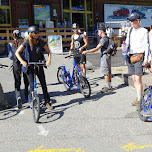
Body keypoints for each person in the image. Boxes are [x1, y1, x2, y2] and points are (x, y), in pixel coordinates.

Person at [15, 26, 53, 110]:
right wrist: (22, 61)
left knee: (43, 84)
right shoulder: (26, 42)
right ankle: (32, 100)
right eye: (35, 32)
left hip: (39, 65)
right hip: (30, 66)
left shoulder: (41, 42)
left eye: (38, 32)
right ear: (30, 34)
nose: (37, 34)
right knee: (31, 85)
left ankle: (47, 101)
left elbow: (48, 52)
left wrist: (48, 60)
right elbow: (17, 53)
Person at [125, 13, 150, 107]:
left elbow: (146, 45)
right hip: (130, 56)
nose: (130, 23)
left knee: (138, 78)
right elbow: (127, 42)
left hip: (139, 56)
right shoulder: (130, 30)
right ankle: (138, 96)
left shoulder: (144, 31)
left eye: (132, 21)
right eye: (130, 21)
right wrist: (125, 46)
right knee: (134, 78)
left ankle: (140, 100)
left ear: (138, 21)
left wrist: (146, 59)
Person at [83, 27, 113, 92]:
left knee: (105, 72)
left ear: (101, 32)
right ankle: (109, 85)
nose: (98, 33)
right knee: (109, 70)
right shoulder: (107, 38)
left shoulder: (103, 39)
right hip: (108, 55)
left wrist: (87, 51)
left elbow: (97, 48)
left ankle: (108, 86)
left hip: (105, 56)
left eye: (98, 32)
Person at [8, 30, 29, 109]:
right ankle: (27, 95)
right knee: (26, 80)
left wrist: (15, 58)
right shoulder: (22, 43)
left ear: (13, 36)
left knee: (17, 81)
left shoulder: (10, 44)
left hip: (16, 63)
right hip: (24, 62)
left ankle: (18, 97)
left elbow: (10, 56)